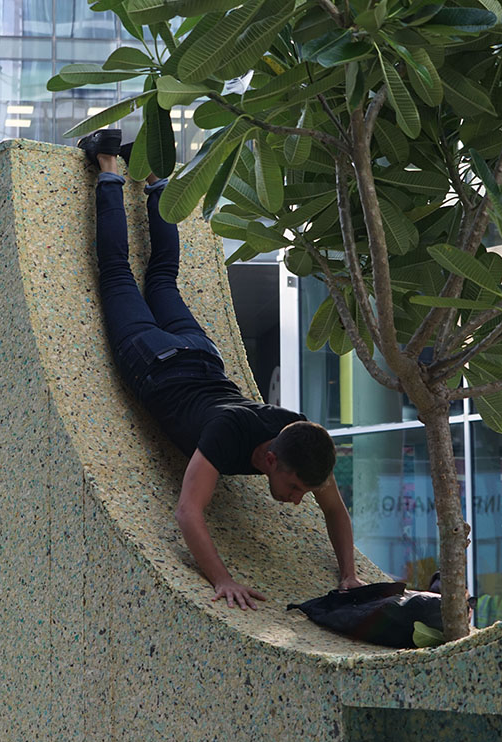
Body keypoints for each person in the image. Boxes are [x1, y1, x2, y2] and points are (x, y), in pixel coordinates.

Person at [79, 129, 365, 610]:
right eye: (296, 488)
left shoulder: (298, 439)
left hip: (200, 354)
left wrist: (350, 575)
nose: (299, 501)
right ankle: (108, 163)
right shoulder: (227, 433)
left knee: (162, 274)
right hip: (155, 362)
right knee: (117, 272)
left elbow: (334, 510)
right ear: (271, 460)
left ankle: (150, 172)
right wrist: (222, 579)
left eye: (302, 491)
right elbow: (189, 513)